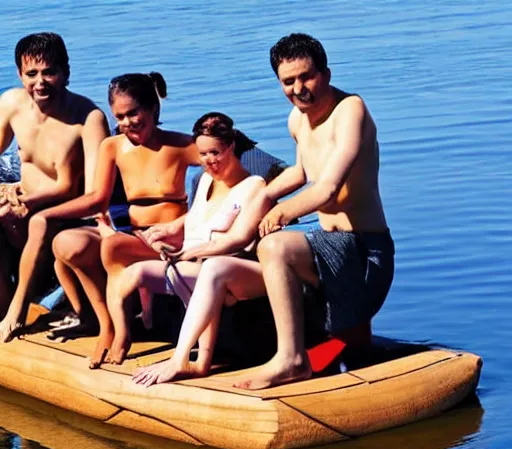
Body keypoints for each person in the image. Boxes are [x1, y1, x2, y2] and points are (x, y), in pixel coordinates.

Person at [134, 33, 395, 388]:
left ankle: (291, 358)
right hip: (329, 249)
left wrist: (280, 212)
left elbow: (329, 187)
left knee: (275, 245)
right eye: (289, 81)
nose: (299, 88)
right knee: (243, 257)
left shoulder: (350, 110)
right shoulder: (297, 120)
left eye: (307, 77)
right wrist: (259, 199)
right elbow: (301, 172)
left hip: (364, 252)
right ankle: (298, 345)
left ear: (327, 74)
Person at [33, 72, 199, 368]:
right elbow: (98, 198)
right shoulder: (112, 146)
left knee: (112, 249)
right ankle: (105, 323)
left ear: (153, 108)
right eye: (119, 117)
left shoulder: (181, 145)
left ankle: (120, 334)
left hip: (171, 239)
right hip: (133, 236)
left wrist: (187, 222)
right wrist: (45, 214)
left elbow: (227, 160)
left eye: (134, 113)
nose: (127, 123)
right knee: (65, 243)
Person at [108, 112, 267, 367]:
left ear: (231, 146)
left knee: (197, 272)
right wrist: (166, 229)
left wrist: (186, 254)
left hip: (224, 267)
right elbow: (196, 216)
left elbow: (238, 239)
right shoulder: (205, 180)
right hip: (190, 261)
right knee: (130, 274)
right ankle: (121, 335)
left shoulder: (254, 187)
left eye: (216, 152)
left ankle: (198, 359)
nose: (209, 161)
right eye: (203, 155)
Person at [0, 32, 109, 337]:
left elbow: (93, 194)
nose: (40, 81)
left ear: (66, 72)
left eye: (49, 72)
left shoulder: (88, 118)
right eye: (31, 73)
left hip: (65, 216)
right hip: (23, 201)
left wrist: (33, 203)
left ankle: (17, 311)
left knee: (39, 222)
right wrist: (7, 192)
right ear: (20, 74)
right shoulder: (11, 104)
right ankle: (3, 304)